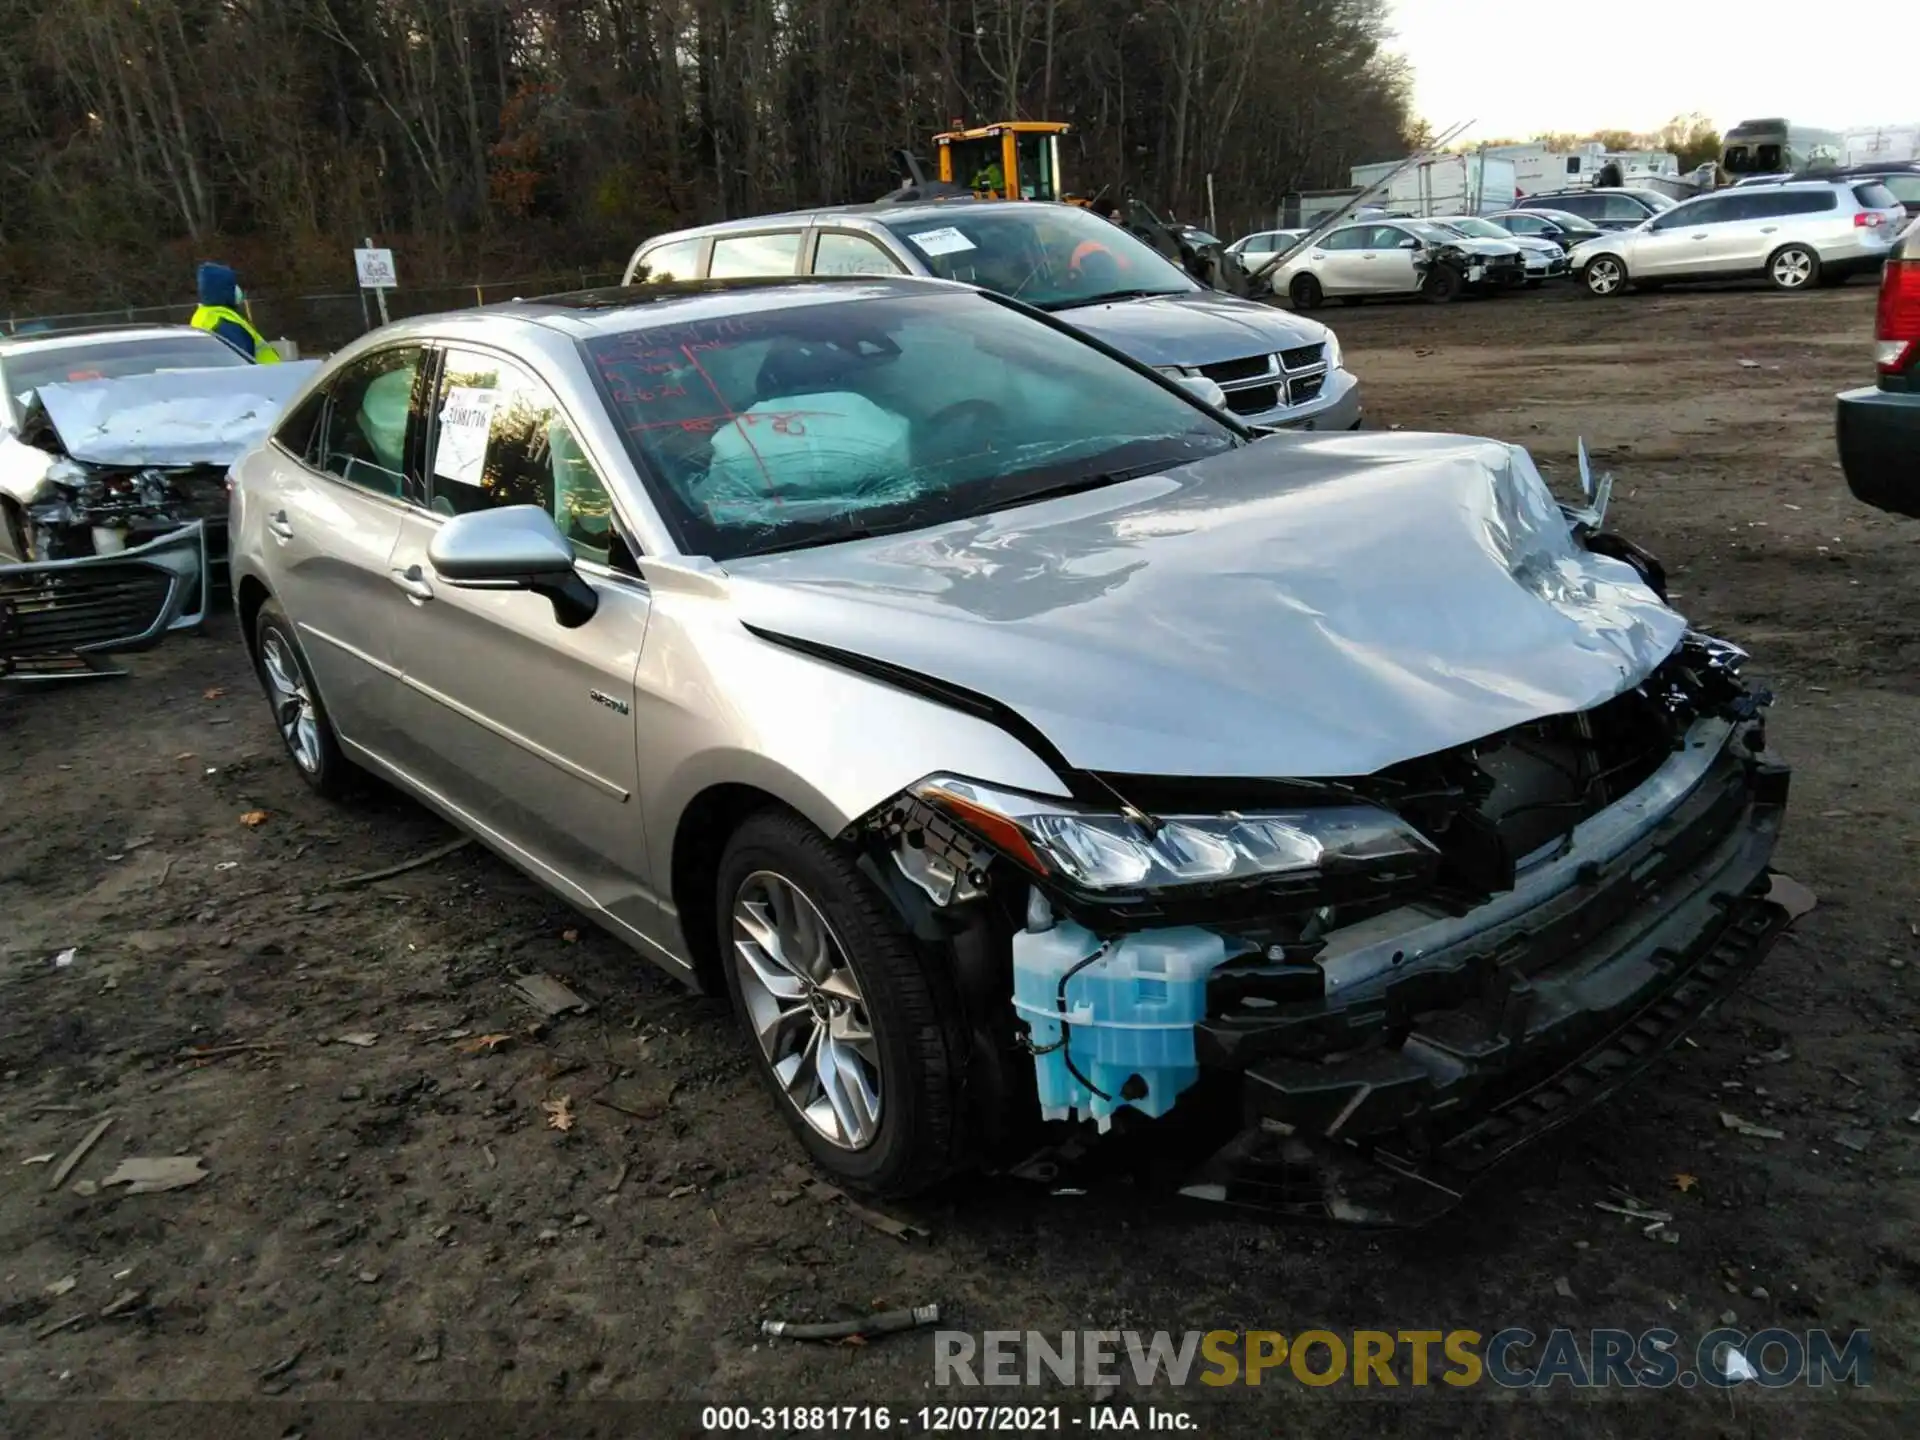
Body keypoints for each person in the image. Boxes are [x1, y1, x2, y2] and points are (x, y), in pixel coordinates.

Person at [190, 262, 280, 364]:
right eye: (233, 286)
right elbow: (241, 359)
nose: (237, 289)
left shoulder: (206, 315)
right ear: (223, 290)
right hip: (263, 376)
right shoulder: (222, 321)